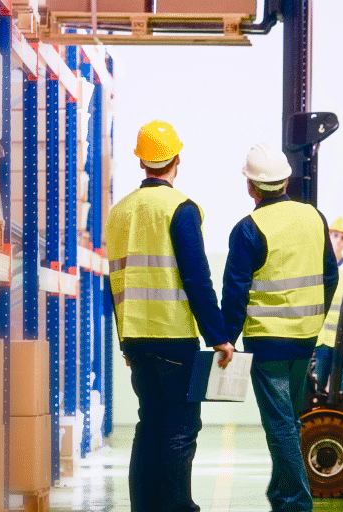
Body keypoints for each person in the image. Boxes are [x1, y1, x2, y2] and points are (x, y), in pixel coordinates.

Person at [105, 119, 235, 512]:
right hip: (174, 337)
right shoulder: (181, 209)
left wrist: (124, 339)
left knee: (149, 426)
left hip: (136, 340)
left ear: (142, 162)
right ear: (177, 158)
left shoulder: (119, 212)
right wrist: (219, 336)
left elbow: (115, 283)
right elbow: (197, 277)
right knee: (180, 428)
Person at [221, 142, 338, 512]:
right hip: (305, 339)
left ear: (251, 187)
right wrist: (314, 319)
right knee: (290, 420)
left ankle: (296, 503)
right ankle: (281, 492)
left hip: (267, 343)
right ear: (287, 179)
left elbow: (235, 291)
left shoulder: (248, 229)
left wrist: (226, 338)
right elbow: (330, 276)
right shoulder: (314, 217)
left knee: (281, 425)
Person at [312, 216, 343, 391]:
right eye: (335, 235)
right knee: (316, 386)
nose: (338, 240)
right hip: (320, 340)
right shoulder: (316, 264)